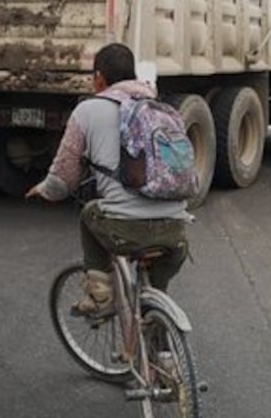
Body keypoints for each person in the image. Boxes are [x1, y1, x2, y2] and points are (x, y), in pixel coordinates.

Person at [26, 43, 190, 315]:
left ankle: (100, 295)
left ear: (100, 77)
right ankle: (161, 341)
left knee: (89, 214)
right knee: (155, 299)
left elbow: (64, 177)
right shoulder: (160, 108)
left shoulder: (88, 111)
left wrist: (45, 190)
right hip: (176, 232)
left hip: (125, 231)